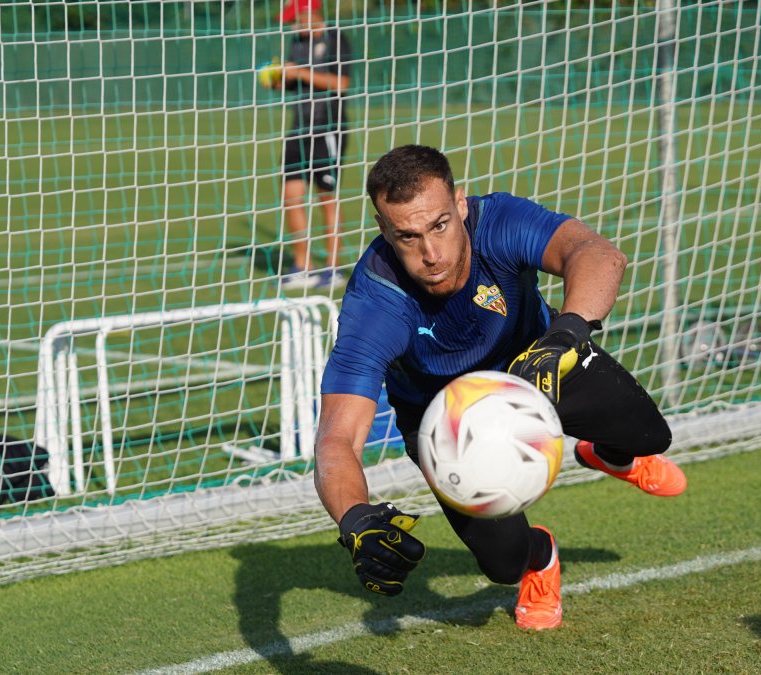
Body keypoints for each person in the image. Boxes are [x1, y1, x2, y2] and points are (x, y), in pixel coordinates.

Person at [314, 145, 687, 630]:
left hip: (538, 362)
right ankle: (542, 559)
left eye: (440, 225)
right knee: (504, 565)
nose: (430, 254)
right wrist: (355, 521)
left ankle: (609, 455)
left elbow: (597, 254)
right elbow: (336, 440)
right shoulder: (375, 303)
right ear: (384, 232)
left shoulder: (499, 222)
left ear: (461, 206)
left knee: (651, 438)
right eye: (408, 236)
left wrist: (563, 338)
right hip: (444, 417)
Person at [267, 0, 354, 290]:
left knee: (326, 196)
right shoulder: (297, 42)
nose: (293, 26)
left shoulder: (334, 38)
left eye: (295, 19)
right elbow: (296, 84)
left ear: (310, 13)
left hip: (328, 127)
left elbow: (341, 83)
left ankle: (333, 267)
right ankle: (302, 265)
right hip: (299, 128)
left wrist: (300, 72)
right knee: (291, 193)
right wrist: (280, 79)